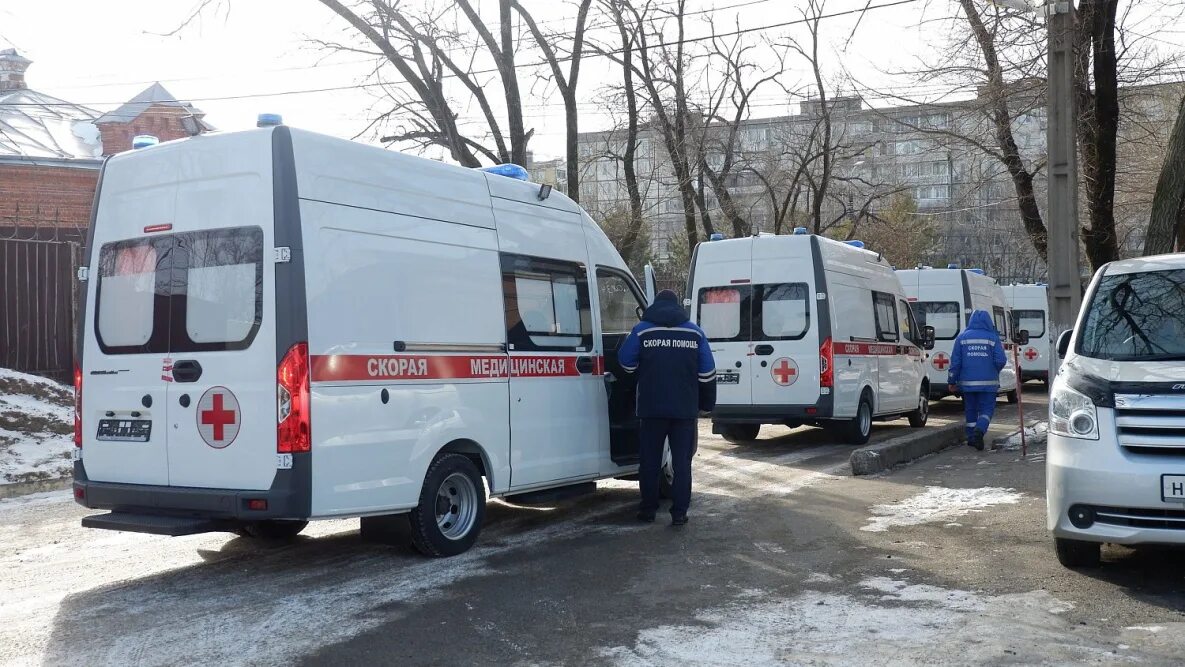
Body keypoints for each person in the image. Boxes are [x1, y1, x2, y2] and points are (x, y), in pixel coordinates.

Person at [618, 289, 716, 526]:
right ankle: (680, 512)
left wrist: (641, 374)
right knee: (682, 463)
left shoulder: (642, 330)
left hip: (651, 408)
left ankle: (648, 510)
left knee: (650, 462)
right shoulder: (695, 332)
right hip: (684, 409)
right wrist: (706, 404)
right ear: (677, 306)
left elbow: (624, 360)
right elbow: (707, 372)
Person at [948, 309, 1007, 451]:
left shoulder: (962, 338)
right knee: (986, 410)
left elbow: (955, 363)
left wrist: (951, 381)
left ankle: (971, 437)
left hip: (967, 384)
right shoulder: (993, 338)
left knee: (971, 410)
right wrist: (992, 371)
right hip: (988, 384)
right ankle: (979, 432)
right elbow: (1001, 360)